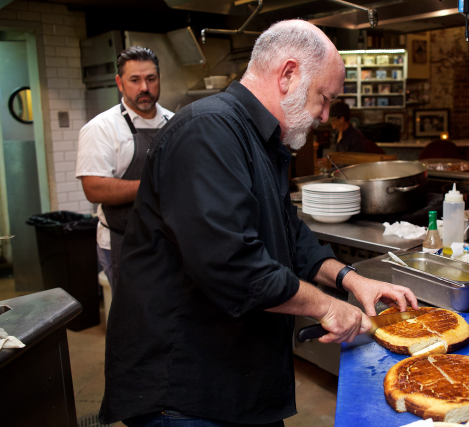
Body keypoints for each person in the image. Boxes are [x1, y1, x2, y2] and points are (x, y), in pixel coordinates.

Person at [99, 20, 419, 427]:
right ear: (288, 75)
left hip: (237, 379)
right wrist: (327, 307)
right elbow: (231, 265)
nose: (324, 115)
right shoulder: (208, 131)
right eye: (323, 98)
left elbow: (290, 233)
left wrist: (351, 280)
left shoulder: (262, 139)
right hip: (185, 390)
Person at [76, 46, 174, 289]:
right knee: (133, 321)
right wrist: (153, 185)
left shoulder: (175, 123)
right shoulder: (101, 128)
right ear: (120, 83)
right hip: (123, 244)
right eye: (135, 80)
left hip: (170, 241)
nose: (144, 88)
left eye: (150, 79)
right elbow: (94, 188)